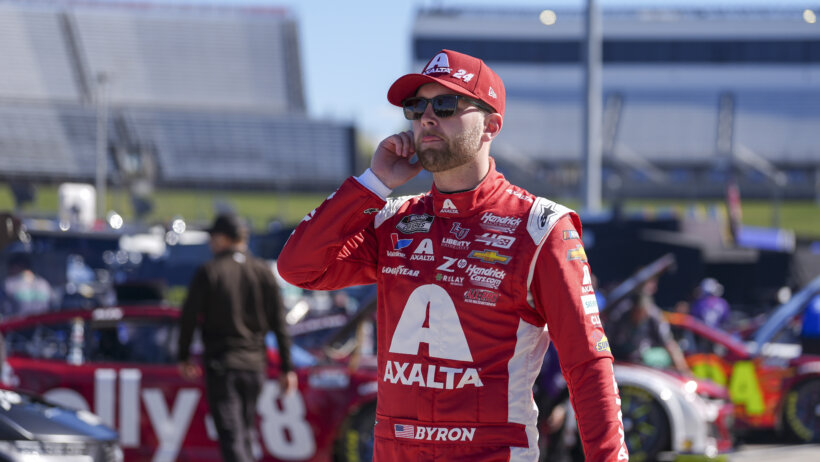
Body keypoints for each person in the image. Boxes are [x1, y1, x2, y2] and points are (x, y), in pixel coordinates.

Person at [277, 49, 627, 461]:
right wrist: (374, 183)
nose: (426, 117)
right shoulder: (392, 219)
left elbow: (587, 364)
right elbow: (298, 267)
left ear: (490, 126)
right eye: (416, 106)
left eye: (445, 105)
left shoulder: (541, 227)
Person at [177, 213, 297, 462]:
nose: (211, 243)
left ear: (222, 238)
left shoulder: (210, 271)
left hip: (223, 365)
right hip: (255, 367)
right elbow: (279, 323)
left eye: (212, 237)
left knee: (232, 437)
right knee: (243, 434)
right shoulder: (263, 272)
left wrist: (183, 355)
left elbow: (188, 317)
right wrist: (287, 368)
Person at [607, 277, 691, 375]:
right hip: (620, 364)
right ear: (632, 308)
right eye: (636, 312)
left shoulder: (654, 316)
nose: (638, 316)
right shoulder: (620, 315)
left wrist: (683, 371)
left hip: (645, 365)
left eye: (642, 312)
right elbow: (606, 340)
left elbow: (670, 344)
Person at [2, 251, 55, 319]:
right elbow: (53, 307)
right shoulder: (44, 284)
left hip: (17, 327)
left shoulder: (9, 284)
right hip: (44, 327)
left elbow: (5, 311)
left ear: (16, 267)